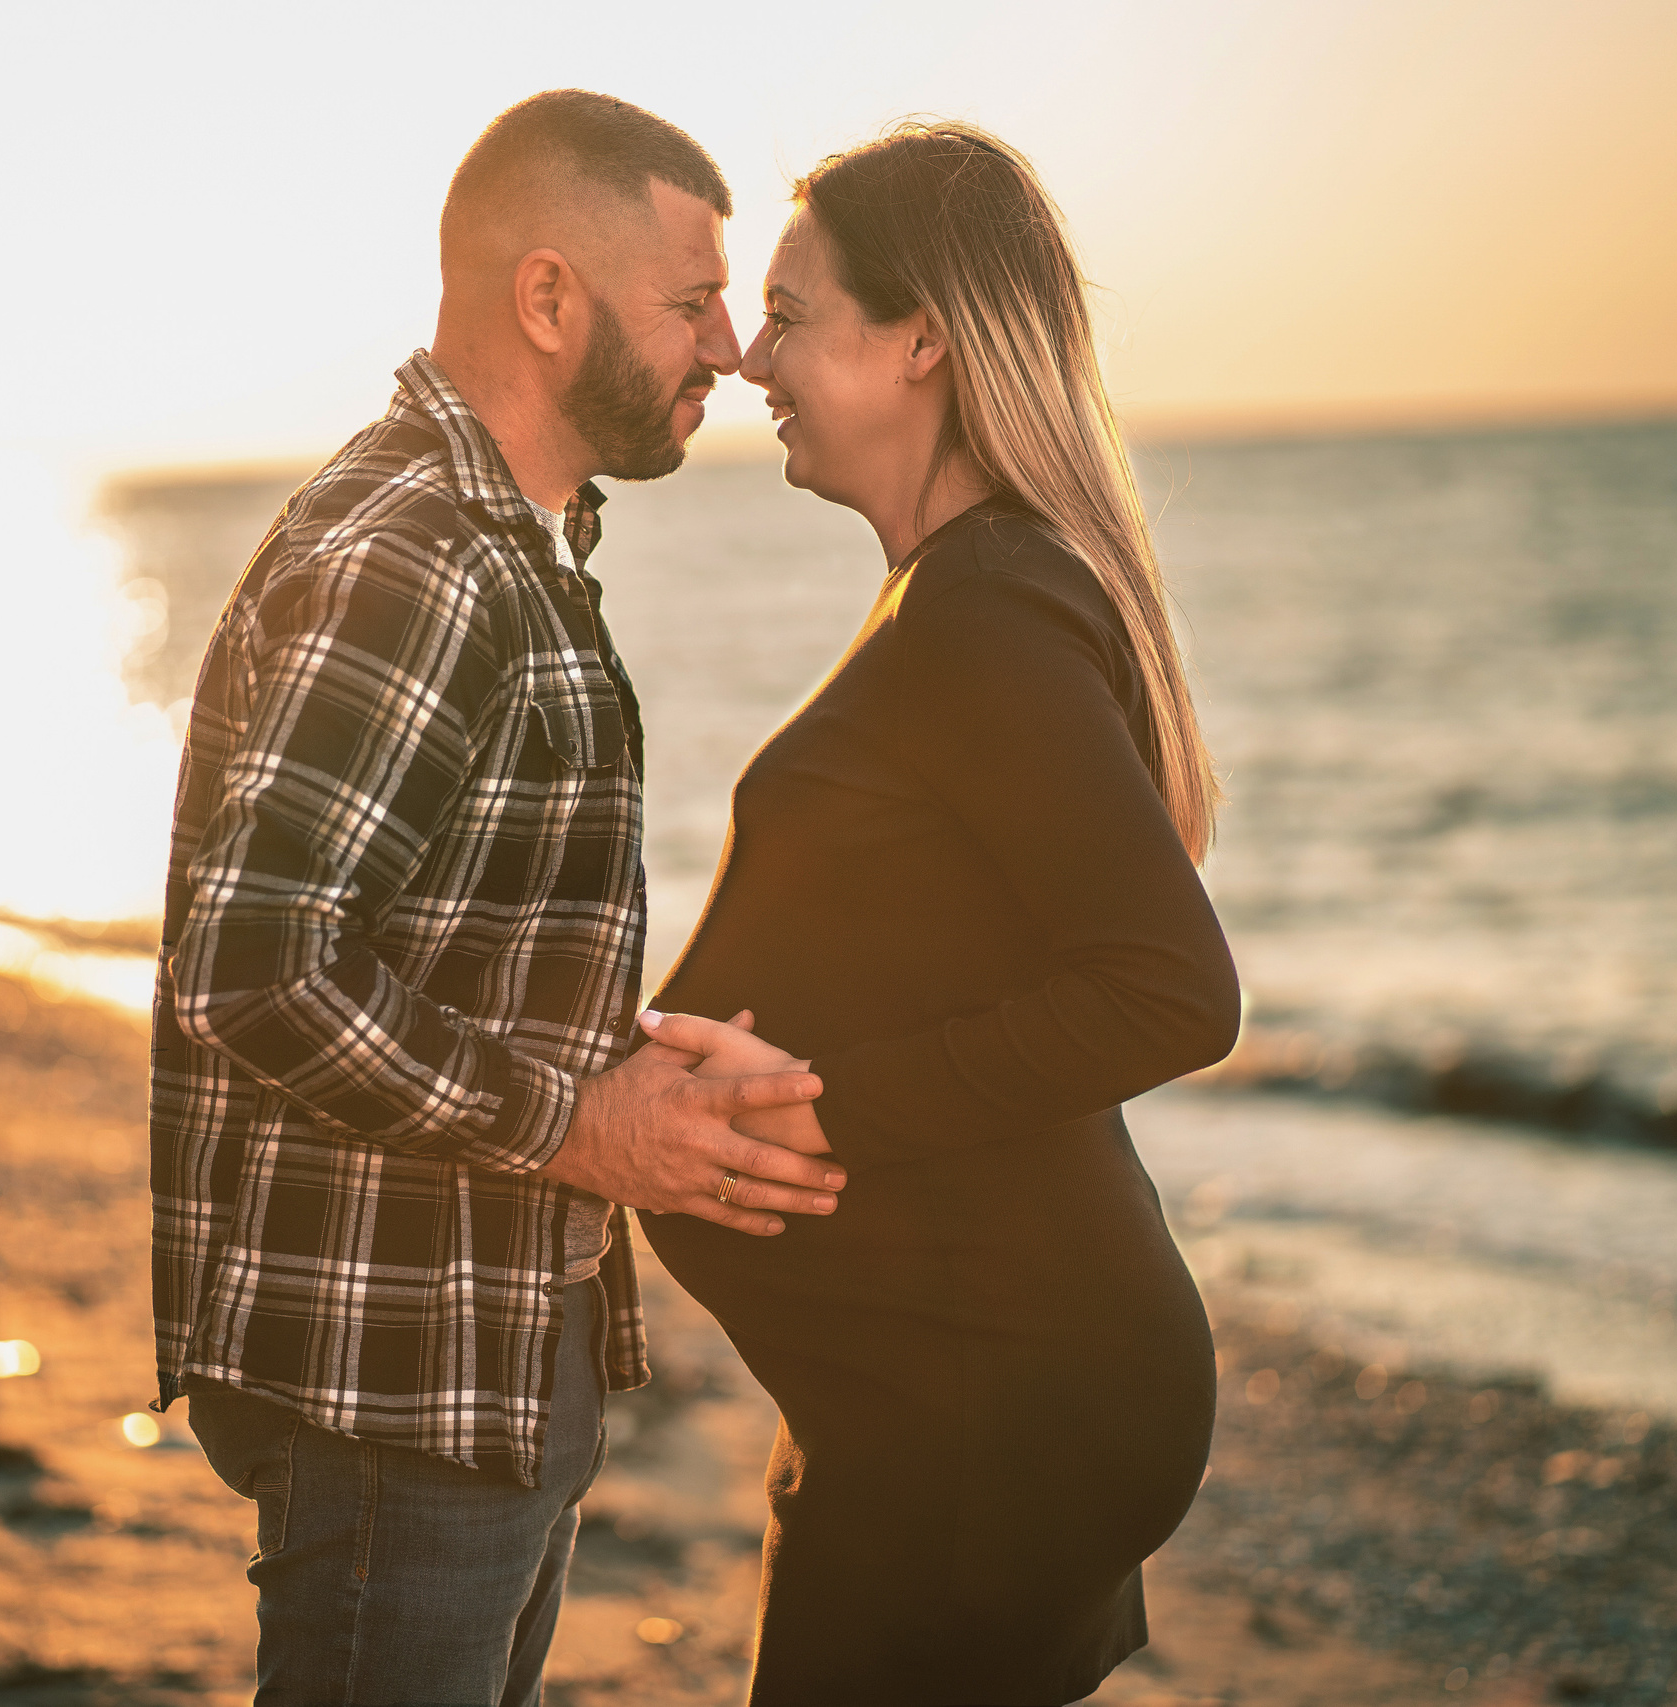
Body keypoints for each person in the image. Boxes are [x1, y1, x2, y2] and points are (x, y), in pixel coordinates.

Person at [148, 90, 846, 1707]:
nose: (731, 349)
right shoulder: (422, 556)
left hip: (466, 1354)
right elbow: (256, 962)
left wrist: (643, 1077)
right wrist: (578, 1126)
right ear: (548, 298)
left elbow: (460, 939)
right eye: (691, 301)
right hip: (396, 1377)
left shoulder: (508, 541)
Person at [634, 120, 1242, 1705]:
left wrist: (821, 1116)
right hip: (938, 1379)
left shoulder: (984, 609)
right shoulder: (961, 595)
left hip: (993, 1400)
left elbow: (1171, 990)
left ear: (923, 343)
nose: (752, 356)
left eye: (791, 311)